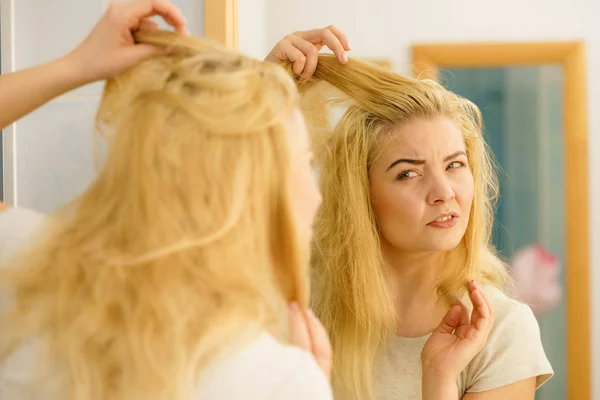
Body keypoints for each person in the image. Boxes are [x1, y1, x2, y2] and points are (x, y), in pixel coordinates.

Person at [0, 6, 495, 400]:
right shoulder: (264, 373)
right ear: (249, 189)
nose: (318, 192)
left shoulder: (26, 261)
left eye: (455, 164)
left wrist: (77, 66)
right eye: (301, 161)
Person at [266, 27, 554, 400]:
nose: (444, 192)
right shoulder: (302, 307)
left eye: (454, 165)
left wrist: (438, 378)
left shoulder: (500, 331)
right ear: (362, 196)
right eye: (408, 173)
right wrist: (262, 92)